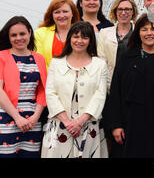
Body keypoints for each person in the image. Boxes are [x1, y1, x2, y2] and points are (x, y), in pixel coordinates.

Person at [105, 14, 154, 157]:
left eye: (153, 29)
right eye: (144, 29)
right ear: (138, 33)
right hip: (130, 125)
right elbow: (115, 92)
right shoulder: (126, 58)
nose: (149, 33)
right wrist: (116, 125)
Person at [41, 21, 108, 158]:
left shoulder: (100, 64)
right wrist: (67, 122)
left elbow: (100, 95)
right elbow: (50, 93)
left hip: (88, 125)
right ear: (70, 38)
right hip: (60, 125)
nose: (80, 41)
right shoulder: (56, 63)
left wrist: (80, 121)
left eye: (85, 37)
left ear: (90, 41)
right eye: (76, 37)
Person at [0, 16, 47, 158]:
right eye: (14, 35)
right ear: (8, 37)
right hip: (5, 120)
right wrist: (17, 117)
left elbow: (43, 90)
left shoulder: (39, 58)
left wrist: (36, 116)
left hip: (32, 122)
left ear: (30, 33)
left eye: (22, 34)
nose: (18, 38)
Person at [98, 0, 138, 93]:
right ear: (115, 12)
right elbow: (101, 61)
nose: (123, 12)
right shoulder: (104, 33)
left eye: (127, 9)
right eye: (120, 9)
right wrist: (108, 86)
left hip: (134, 85)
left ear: (133, 12)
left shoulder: (139, 32)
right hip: (110, 85)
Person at [35, 0, 80, 68]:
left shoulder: (82, 33)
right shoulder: (40, 33)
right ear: (52, 15)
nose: (61, 16)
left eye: (65, 11)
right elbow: (38, 62)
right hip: (49, 78)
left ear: (72, 13)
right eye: (57, 12)